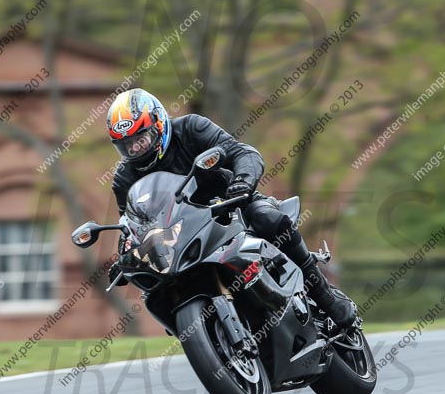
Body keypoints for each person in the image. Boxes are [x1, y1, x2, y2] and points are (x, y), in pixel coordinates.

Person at [106, 88, 357, 328]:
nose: (135, 148)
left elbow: (243, 153)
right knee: (157, 292)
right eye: (126, 145)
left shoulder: (192, 128)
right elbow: (131, 225)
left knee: (269, 219)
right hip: (180, 237)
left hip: (230, 206)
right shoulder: (124, 179)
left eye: (141, 138)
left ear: (159, 125)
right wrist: (126, 256)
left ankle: (325, 297)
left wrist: (242, 182)